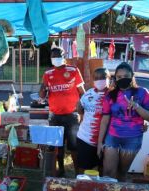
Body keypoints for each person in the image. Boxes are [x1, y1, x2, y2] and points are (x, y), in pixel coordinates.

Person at [97, 62, 149, 181]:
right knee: (108, 173)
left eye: (126, 76)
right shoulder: (110, 95)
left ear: (132, 76)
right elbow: (105, 120)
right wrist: (99, 143)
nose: (122, 79)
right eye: (119, 77)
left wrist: (137, 107)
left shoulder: (142, 93)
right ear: (115, 78)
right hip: (112, 137)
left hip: (132, 139)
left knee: (121, 173)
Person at [39, 46, 85, 176]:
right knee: (57, 146)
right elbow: (42, 95)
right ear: (51, 59)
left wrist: (85, 108)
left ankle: (77, 173)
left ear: (64, 57)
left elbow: (82, 92)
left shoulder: (73, 70)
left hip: (72, 115)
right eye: (53, 56)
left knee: (74, 147)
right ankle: (61, 170)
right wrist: (42, 88)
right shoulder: (48, 74)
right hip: (55, 116)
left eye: (58, 56)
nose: (56, 58)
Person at [77, 68, 111, 174]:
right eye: (96, 78)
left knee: (103, 169)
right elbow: (80, 108)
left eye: (103, 77)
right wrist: (79, 107)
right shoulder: (88, 93)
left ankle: (101, 189)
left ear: (109, 78)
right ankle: (82, 187)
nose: (99, 80)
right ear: (93, 80)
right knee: (84, 169)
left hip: (107, 140)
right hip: (85, 138)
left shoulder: (113, 95)